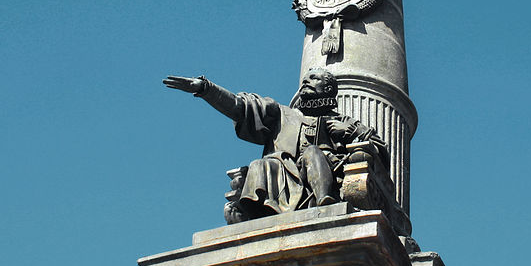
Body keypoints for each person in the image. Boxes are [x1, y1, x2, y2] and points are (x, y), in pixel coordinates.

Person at [163, 66, 387, 219]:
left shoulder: (343, 121)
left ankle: (325, 202)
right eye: (304, 80)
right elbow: (241, 107)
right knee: (262, 164)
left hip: (327, 170)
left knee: (311, 152)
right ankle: (257, 213)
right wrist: (206, 89)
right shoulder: (282, 114)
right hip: (285, 172)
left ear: (327, 89)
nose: (305, 83)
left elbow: (381, 150)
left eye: (314, 79)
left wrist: (351, 132)